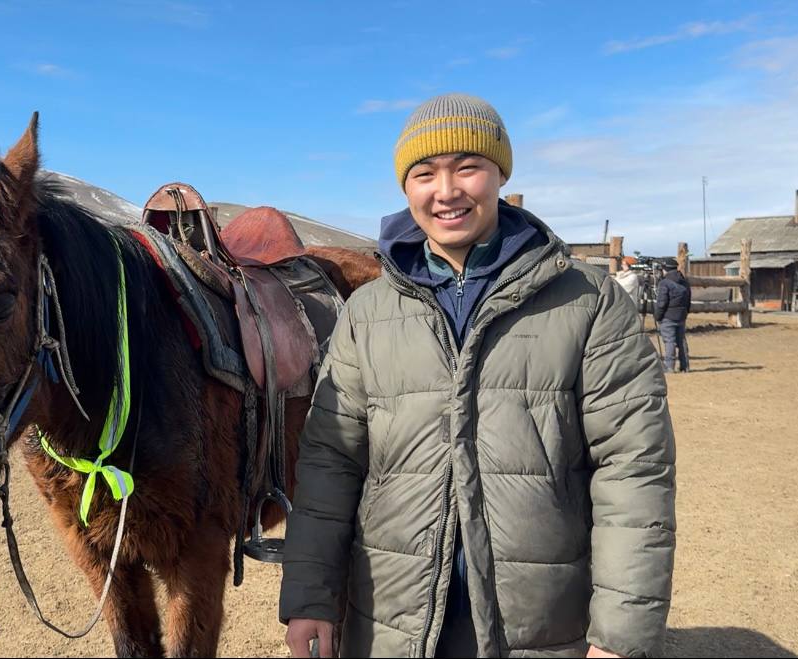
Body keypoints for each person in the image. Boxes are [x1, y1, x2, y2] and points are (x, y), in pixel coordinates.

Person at [279, 94, 676, 658]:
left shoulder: (590, 302)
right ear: (406, 188)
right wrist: (311, 597)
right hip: (393, 619)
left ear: (499, 174)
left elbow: (633, 469)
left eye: (467, 167)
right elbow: (329, 463)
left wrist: (621, 635)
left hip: (540, 621)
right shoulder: (367, 313)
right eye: (424, 173)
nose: (446, 191)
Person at [654, 258, 691, 373]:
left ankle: (669, 366)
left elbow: (662, 303)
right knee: (681, 341)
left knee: (669, 341)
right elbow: (688, 300)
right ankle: (685, 366)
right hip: (681, 315)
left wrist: (657, 316)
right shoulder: (684, 281)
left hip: (668, 316)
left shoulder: (664, 283)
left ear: (665, 269)